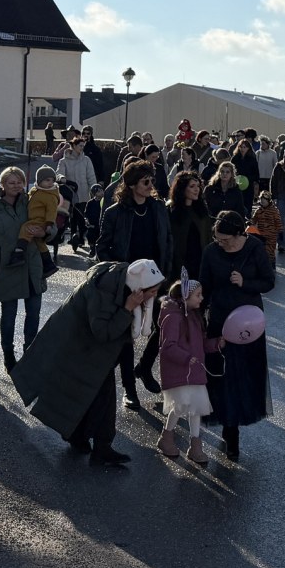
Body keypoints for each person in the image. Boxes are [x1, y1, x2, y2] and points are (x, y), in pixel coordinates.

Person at [10, 259, 152, 469]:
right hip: (79, 346)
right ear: (139, 288)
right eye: (152, 291)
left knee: (101, 394)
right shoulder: (105, 289)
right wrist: (127, 309)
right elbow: (102, 332)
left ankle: (90, 442)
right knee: (94, 394)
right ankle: (91, 442)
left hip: (88, 347)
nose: (154, 296)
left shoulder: (118, 283)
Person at [200, 210, 275, 461]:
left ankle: (235, 425)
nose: (220, 243)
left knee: (244, 376)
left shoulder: (254, 248)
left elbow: (268, 281)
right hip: (220, 320)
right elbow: (204, 284)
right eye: (217, 239)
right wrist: (197, 314)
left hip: (248, 323)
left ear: (238, 234)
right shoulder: (211, 252)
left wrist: (245, 282)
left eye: (225, 240)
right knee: (223, 376)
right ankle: (229, 429)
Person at [97, 160, 173, 407]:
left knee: (163, 326)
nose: (151, 185)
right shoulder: (115, 213)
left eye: (152, 180)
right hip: (126, 284)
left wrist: (163, 277)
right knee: (126, 338)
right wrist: (122, 276)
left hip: (156, 281)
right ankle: (129, 389)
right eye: (145, 181)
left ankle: (145, 367)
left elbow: (167, 242)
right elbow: (102, 248)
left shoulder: (158, 208)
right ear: (131, 185)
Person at [0, 166, 49, 373]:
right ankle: (8, 354)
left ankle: (29, 353)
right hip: (5, 266)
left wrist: (45, 231)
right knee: (8, 315)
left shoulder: (32, 202)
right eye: (11, 182)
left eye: (19, 182)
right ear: (2, 185)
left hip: (32, 265)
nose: (16, 186)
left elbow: (49, 225)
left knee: (33, 313)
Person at [157, 278, 212, 464]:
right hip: (181, 371)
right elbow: (168, 347)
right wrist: (187, 358)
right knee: (181, 406)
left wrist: (217, 344)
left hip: (193, 371)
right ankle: (169, 438)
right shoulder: (174, 317)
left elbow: (201, 343)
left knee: (194, 408)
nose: (201, 298)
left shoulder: (194, 315)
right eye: (198, 295)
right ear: (185, 297)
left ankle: (193, 445)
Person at [167, 170, 212, 280]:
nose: (197, 189)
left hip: (199, 263)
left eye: (198, 186)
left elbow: (207, 237)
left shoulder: (201, 211)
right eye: (192, 186)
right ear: (182, 189)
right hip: (179, 264)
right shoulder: (171, 211)